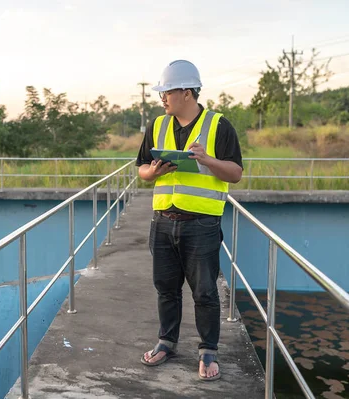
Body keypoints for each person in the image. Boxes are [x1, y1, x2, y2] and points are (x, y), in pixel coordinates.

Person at [136, 60, 243, 381]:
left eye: (166, 92)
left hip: (202, 224)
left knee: (205, 292)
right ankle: (166, 342)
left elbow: (235, 173)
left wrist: (207, 160)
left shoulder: (219, 125)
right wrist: (153, 172)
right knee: (166, 289)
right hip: (163, 221)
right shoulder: (157, 125)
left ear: (186, 92)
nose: (162, 99)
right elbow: (141, 170)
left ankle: (208, 350)